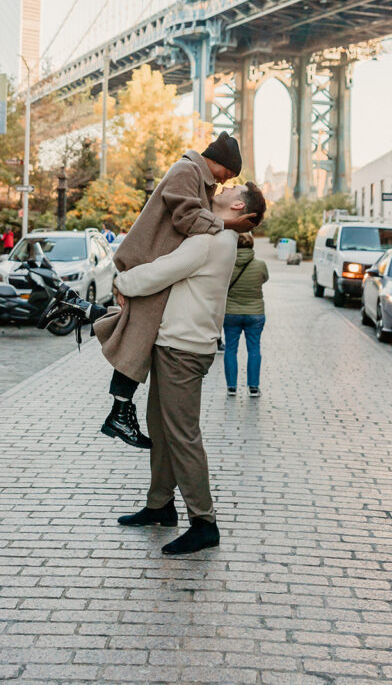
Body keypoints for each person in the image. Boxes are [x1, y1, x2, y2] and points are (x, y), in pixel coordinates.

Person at [113, 181, 267, 555]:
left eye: (233, 187)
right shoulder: (219, 238)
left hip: (182, 349)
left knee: (182, 434)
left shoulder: (210, 240)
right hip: (178, 344)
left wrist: (120, 281)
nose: (224, 186)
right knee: (162, 429)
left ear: (238, 204)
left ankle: (204, 522)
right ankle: (159, 506)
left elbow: (160, 271)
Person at [95, 132, 256, 449]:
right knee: (138, 328)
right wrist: (229, 225)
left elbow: (199, 219)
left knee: (138, 328)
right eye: (229, 174)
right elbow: (185, 218)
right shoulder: (186, 171)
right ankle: (119, 410)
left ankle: (119, 408)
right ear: (220, 163)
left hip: (156, 259)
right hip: (145, 257)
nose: (225, 182)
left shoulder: (201, 178)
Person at [223, 233, 269, 398]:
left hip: (231, 313)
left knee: (230, 349)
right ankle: (254, 387)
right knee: (254, 349)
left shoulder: (227, 265)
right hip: (255, 313)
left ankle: (231, 387)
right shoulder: (260, 265)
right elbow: (264, 279)